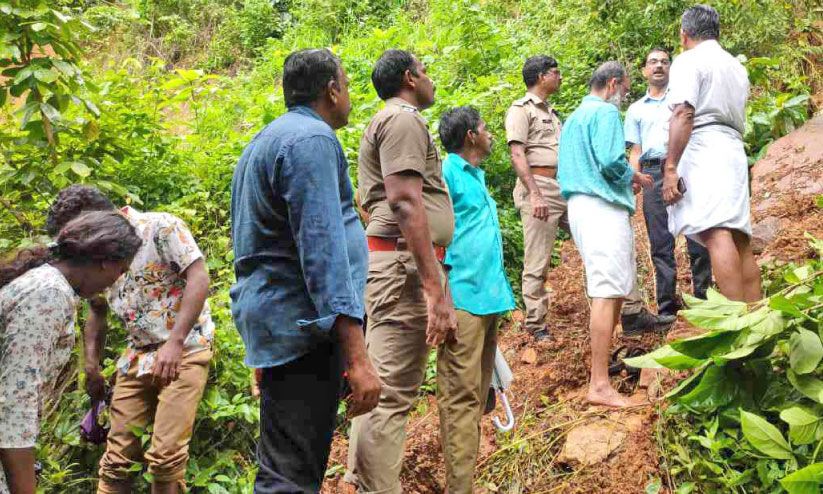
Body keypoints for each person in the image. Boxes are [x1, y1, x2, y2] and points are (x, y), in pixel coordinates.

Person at [231, 48, 381, 493]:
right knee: (290, 478)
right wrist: (357, 357)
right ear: (331, 90)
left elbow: (253, 248)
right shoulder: (312, 141)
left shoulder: (264, 142)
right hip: (304, 330)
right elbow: (323, 252)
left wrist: (263, 346)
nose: (350, 96)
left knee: (290, 466)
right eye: (348, 86)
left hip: (281, 328)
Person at [46, 185, 214, 494]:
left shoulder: (161, 226)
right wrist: (92, 366)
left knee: (165, 460)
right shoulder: (94, 254)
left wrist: (175, 342)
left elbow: (199, 277)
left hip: (185, 348)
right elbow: (97, 308)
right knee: (116, 462)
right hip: (136, 356)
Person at [345, 49, 457, 494]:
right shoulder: (404, 120)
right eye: (426, 72)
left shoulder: (387, 122)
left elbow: (367, 200)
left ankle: (365, 482)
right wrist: (433, 286)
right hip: (403, 267)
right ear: (410, 78)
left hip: (394, 260)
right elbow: (404, 201)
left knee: (385, 391)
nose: (430, 80)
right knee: (389, 395)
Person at [0, 211, 141, 494]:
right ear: (104, 263)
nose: (117, 280)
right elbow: (15, 404)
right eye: (121, 270)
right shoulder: (49, 295)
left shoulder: (46, 284)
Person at [557, 62, 653, 407]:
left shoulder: (573, 118)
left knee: (611, 288)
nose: (624, 96)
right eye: (625, 89)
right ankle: (599, 384)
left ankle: (604, 368)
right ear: (612, 84)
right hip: (601, 205)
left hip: (582, 206)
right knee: (606, 288)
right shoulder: (605, 114)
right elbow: (611, 161)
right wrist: (636, 177)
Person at [438, 106, 516, 492]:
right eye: (486, 129)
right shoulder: (448, 172)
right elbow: (433, 238)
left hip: (488, 299)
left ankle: (464, 482)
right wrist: (443, 298)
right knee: (461, 399)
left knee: (477, 397)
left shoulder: (475, 175)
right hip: (464, 300)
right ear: (470, 135)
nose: (491, 134)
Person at [662, 5, 760, 303]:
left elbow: (684, 113)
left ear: (684, 35)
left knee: (717, 234)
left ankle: (735, 324)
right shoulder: (735, 66)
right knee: (740, 238)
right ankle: (757, 316)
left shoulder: (689, 61)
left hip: (706, 148)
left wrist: (670, 168)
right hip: (733, 148)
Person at [623, 48, 713, 322]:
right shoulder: (635, 109)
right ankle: (666, 309)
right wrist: (633, 178)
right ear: (644, 71)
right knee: (660, 241)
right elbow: (636, 150)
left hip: (684, 166)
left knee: (697, 234)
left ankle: (705, 301)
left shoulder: (682, 100)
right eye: (653, 62)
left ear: (671, 68)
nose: (659, 66)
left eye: (664, 62)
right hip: (651, 174)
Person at [504, 55, 566, 341]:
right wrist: (535, 194)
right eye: (555, 72)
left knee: (591, 237)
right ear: (541, 76)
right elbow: (517, 154)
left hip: (562, 186)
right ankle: (536, 324)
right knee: (537, 258)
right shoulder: (521, 110)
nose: (560, 77)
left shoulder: (553, 113)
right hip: (539, 187)